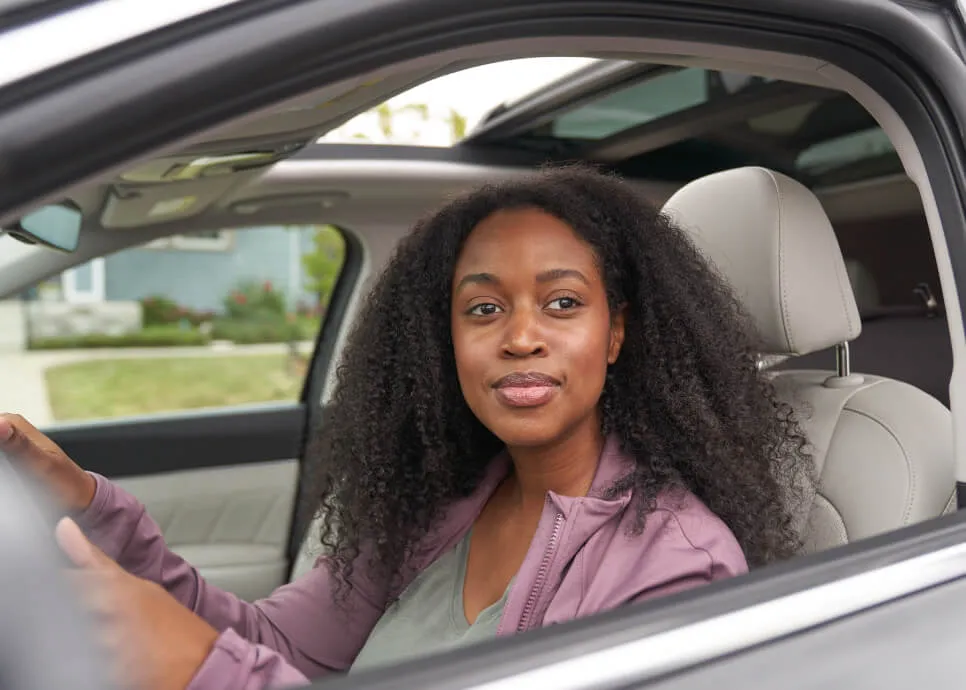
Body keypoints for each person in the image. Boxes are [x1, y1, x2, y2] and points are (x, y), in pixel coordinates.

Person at [0, 165, 813, 690]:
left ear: (618, 333)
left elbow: (236, 664)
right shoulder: (442, 503)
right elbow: (279, 643)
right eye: (484, 308)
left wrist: (205, 671)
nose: (519, 335)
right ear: (450, 340)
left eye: (562, 303)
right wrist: (87, 505)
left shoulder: (675, 561)